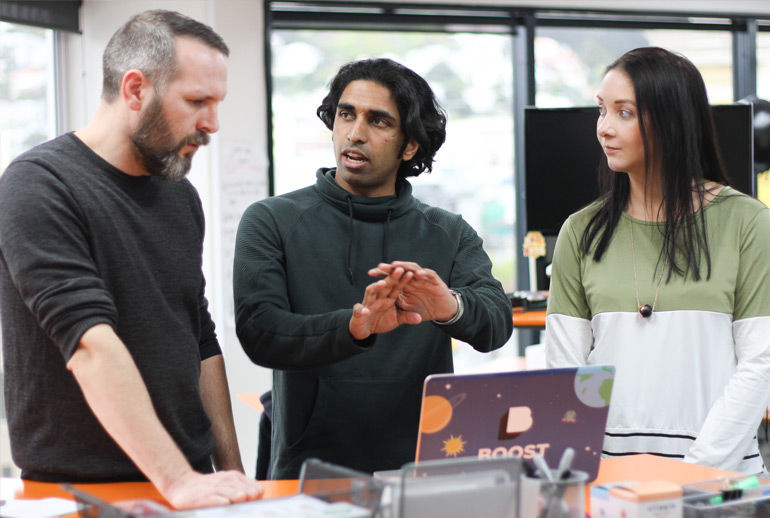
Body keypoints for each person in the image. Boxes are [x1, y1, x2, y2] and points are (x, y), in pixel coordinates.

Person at [0, 10, 264, 508]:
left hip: (188, 481)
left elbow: (200, 337)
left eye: (216, 103)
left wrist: (232, 473)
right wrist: (178, 480)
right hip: (80, 491)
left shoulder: (179, 194)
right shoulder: (38, 185)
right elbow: (90, 344)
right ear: (136, 89)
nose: (212, 123)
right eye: (197, 101)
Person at [233, 58, 513, 479]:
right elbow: (260, 332)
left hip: (424, 471)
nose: (355, 133)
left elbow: (497, 324)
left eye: (379, 121)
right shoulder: (272, 219)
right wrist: (353, 327)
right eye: (346, 114)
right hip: (309, 472)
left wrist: (449, 306)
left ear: (410, 145)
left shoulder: (448, 232)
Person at [545, 47, 770, 474]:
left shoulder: (748, 222)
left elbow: (760, 363)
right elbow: (566, 374)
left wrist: (695, 473)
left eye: (624, 113)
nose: (604, 129)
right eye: (602, 110)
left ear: (672, 120)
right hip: (612, 478)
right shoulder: (580, 231)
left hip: (719, 481)